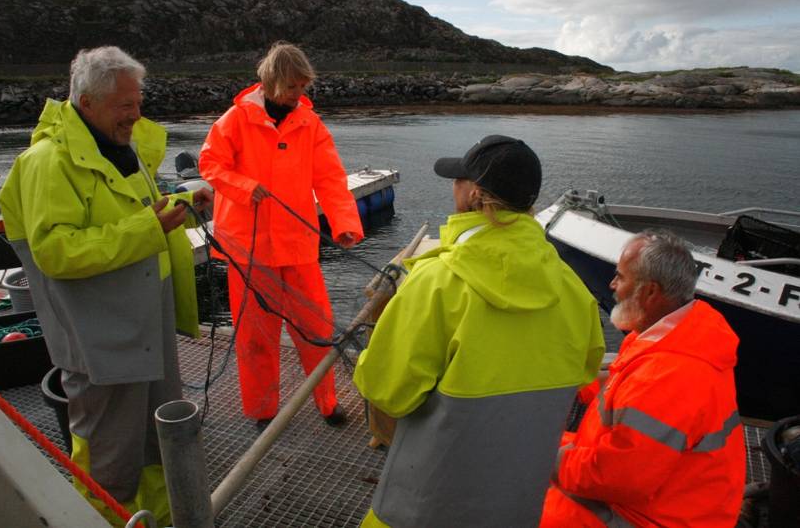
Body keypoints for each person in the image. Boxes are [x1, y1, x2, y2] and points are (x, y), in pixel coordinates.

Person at [0, 46, 212, 527]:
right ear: (87, 102)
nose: (136, 115)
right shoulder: (46, 162)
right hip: (100, 340)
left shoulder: (121, 148)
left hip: (146, 326)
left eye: (137, 103)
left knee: (158, 444)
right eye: (125, 105)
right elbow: (57, 252)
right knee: (109, 459)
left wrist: (180, 202)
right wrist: (149, 230)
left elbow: (131, 217)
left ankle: (159, 519)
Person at [353, 135, 605, 528]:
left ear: (475, 196)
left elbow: (388, 391)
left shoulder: (437, 282)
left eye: (458, 179)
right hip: (519, 501)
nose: (452, 186)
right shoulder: (573, 288)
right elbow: (586, 369)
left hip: (427, 502)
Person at [198, 41, 363, 430]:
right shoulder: (234, 120)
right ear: (272, 82)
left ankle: (327, 402)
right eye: (293, 87)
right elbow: (210, 163)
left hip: (298, 245)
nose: (298, 95)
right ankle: (262, 410)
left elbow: (330, 179)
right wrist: (241, 185)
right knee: (256, 338)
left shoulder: (311, 124)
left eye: (303, 87)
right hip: (248, 249)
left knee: (316, 330)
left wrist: (345, 224)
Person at [540, 231, 746, 527]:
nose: (612, 285)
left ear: (649, 292)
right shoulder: (677, 334)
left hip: (655, 517)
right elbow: (623, 391)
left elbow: (618, 479)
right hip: (669, 493)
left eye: (620, 277)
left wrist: (543, 454)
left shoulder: (671, 377)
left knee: (524, 507)